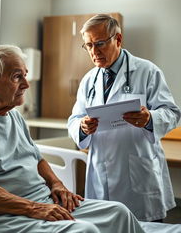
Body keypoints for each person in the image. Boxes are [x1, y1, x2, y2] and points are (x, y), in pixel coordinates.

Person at [0, 45, 145, 233]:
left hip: (43, 202)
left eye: (25, 75)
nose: (26, 85)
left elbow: (37, 159)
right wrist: (34, 208)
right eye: (17, 77)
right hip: (3, 216)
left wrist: (57, 184)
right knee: (84, 231)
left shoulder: (14, 116)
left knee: (119, 212)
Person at [67, 14, 181, 222]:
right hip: (101, 173)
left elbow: (172, 113)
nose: (94, 52)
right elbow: (74, 119)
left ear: (117, 40)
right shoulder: (88, 80)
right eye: (88, 45)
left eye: (100, 43)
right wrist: (82, 126)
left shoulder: (147, 71)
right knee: (106, 225)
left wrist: (149, 119)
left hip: (138, 175)